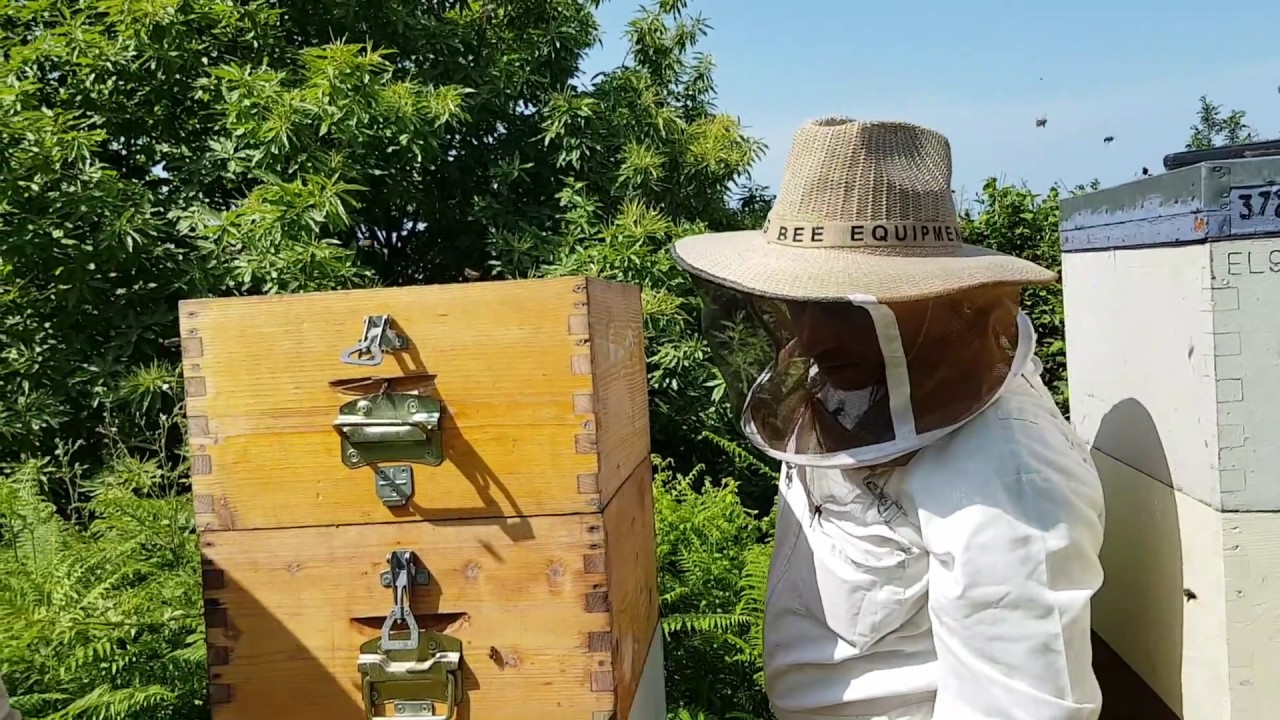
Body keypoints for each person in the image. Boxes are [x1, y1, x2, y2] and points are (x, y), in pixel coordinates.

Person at [671, 116, 1106, 720]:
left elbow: (1020, 707)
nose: (810, 337)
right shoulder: (855, 381)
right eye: (797, 301)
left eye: (844, 306)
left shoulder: (1009, 470)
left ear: (931, 301)